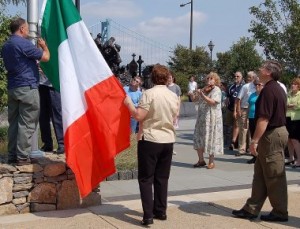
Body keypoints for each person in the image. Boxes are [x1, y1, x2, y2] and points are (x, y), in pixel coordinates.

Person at [232, 60, 289, 222]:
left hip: (271, 135)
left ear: (269, 72)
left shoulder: (269, 90)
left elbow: (264, 119)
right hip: (272, 134)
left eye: (262, 68)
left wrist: (254, 141)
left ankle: (280, 212)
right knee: (261, 174)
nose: (259, 69)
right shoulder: (275, 88)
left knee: (273, 175)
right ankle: (251, 208)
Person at [124, 64, 179, 226]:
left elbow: (139, 115)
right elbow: (175, 116)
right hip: (168, 139)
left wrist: (128, 103)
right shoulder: (173, 95)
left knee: (146, 178)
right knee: (162, 177)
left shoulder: (148, 94)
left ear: (153, 78)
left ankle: (148, 215)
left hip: (150, 138)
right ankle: (160, 211)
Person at [1, 17, 50, 165]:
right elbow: (46, 57)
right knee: (27, 122)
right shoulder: (24, 44)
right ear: (22, 29)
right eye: (27, 28)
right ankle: (22, 157)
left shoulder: (6, 45)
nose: (29, 31)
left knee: (14, 123)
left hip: (13, 87)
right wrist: (44, 46)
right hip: (27, 87)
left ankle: (12, 155)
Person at [191, 72, 223, 169]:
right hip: (201, 118)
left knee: (210, 138)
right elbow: (195, 100)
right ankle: (201, 160)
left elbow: (213, 102)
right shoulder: (204, 89)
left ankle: (211, 162)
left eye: (211, 78)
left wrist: (203, 95)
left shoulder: (217, 90)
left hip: (211, 118)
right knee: (198, 138)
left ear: (215, 80)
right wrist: (194, 94)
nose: (209, 80)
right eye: (208, 78)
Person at [39, 67, 64, 154]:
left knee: (56, 115)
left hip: (53, 85)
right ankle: (47, 144)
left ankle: (62, 143)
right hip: (39, 85)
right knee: (42, 116)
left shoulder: (54, 53)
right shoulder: (36, 53)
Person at [235, 71, 257, 156]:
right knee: (243, 129)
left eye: (250, 77)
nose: (249, 79)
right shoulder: (246, 86)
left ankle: (250, 149)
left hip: (254, 110)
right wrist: (238, 110)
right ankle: (241, 149)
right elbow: (238, 99)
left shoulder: (258, 86)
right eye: (248, 77)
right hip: (244, 109)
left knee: (252, 130)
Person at [225, 72, 244, 150]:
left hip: (238, 109)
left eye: (238, 76)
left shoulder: (243, 87)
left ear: (241, 77)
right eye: (235, 76)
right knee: (228, 125)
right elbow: (228, 97)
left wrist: (238, 110)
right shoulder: (231, 87)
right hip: (230, 108)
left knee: (236, 125)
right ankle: (229, 141)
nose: (236, 77)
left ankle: (233, 142)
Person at [246, 78, 263, 164]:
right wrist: (246, 118)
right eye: (256, 85)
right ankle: (254, 156)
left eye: (259, 85)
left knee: (259, 137)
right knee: (253, 137)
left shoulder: (264, 95)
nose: (257, 86)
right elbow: (249, 106)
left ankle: (260, 156)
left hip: (260, 118)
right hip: (251, 117)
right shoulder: (252, 95)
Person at [285, 77, 300, 168]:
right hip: (287, 117)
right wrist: (291, 106)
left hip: (296, 119)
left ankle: (299, 159)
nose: (292, 85)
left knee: (295, 140)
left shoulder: (299, 94)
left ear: (298, 86)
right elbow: (285, 105)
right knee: (289, 139)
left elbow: (298, 106)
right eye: (292, 84)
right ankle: (291, 158)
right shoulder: (288, 94)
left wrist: (291, 106)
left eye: (294, 84)